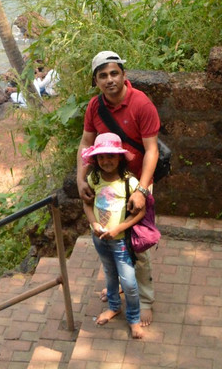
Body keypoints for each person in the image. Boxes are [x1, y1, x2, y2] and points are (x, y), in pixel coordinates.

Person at [77, 50, 160, 325]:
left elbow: (151, 150)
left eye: (114, 73)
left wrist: (142, 190)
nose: (109, 79)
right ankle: (123, 285)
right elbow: (86, 142)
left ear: (124, 75)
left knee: (138, 245)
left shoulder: (141, 104)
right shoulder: (95, 107)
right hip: (108, 184)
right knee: (113, 240)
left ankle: (145, 300)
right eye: (103, 75)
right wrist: (81, 179)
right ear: (96, 81)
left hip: (137, 183)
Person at [81, 132, 146, 339]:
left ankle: (134, 318)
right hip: (100, 239)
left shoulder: (130, 182)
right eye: (101, 157)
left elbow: (141, 212)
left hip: (121, 242)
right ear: (95, 159)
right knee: (109, 273)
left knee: (129, 283)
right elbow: (87, 204)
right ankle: (114, 306)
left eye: (110, 156)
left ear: (119, 158)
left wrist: (119, 229)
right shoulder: (94, 178)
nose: (106, 161)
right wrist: (93, 223)